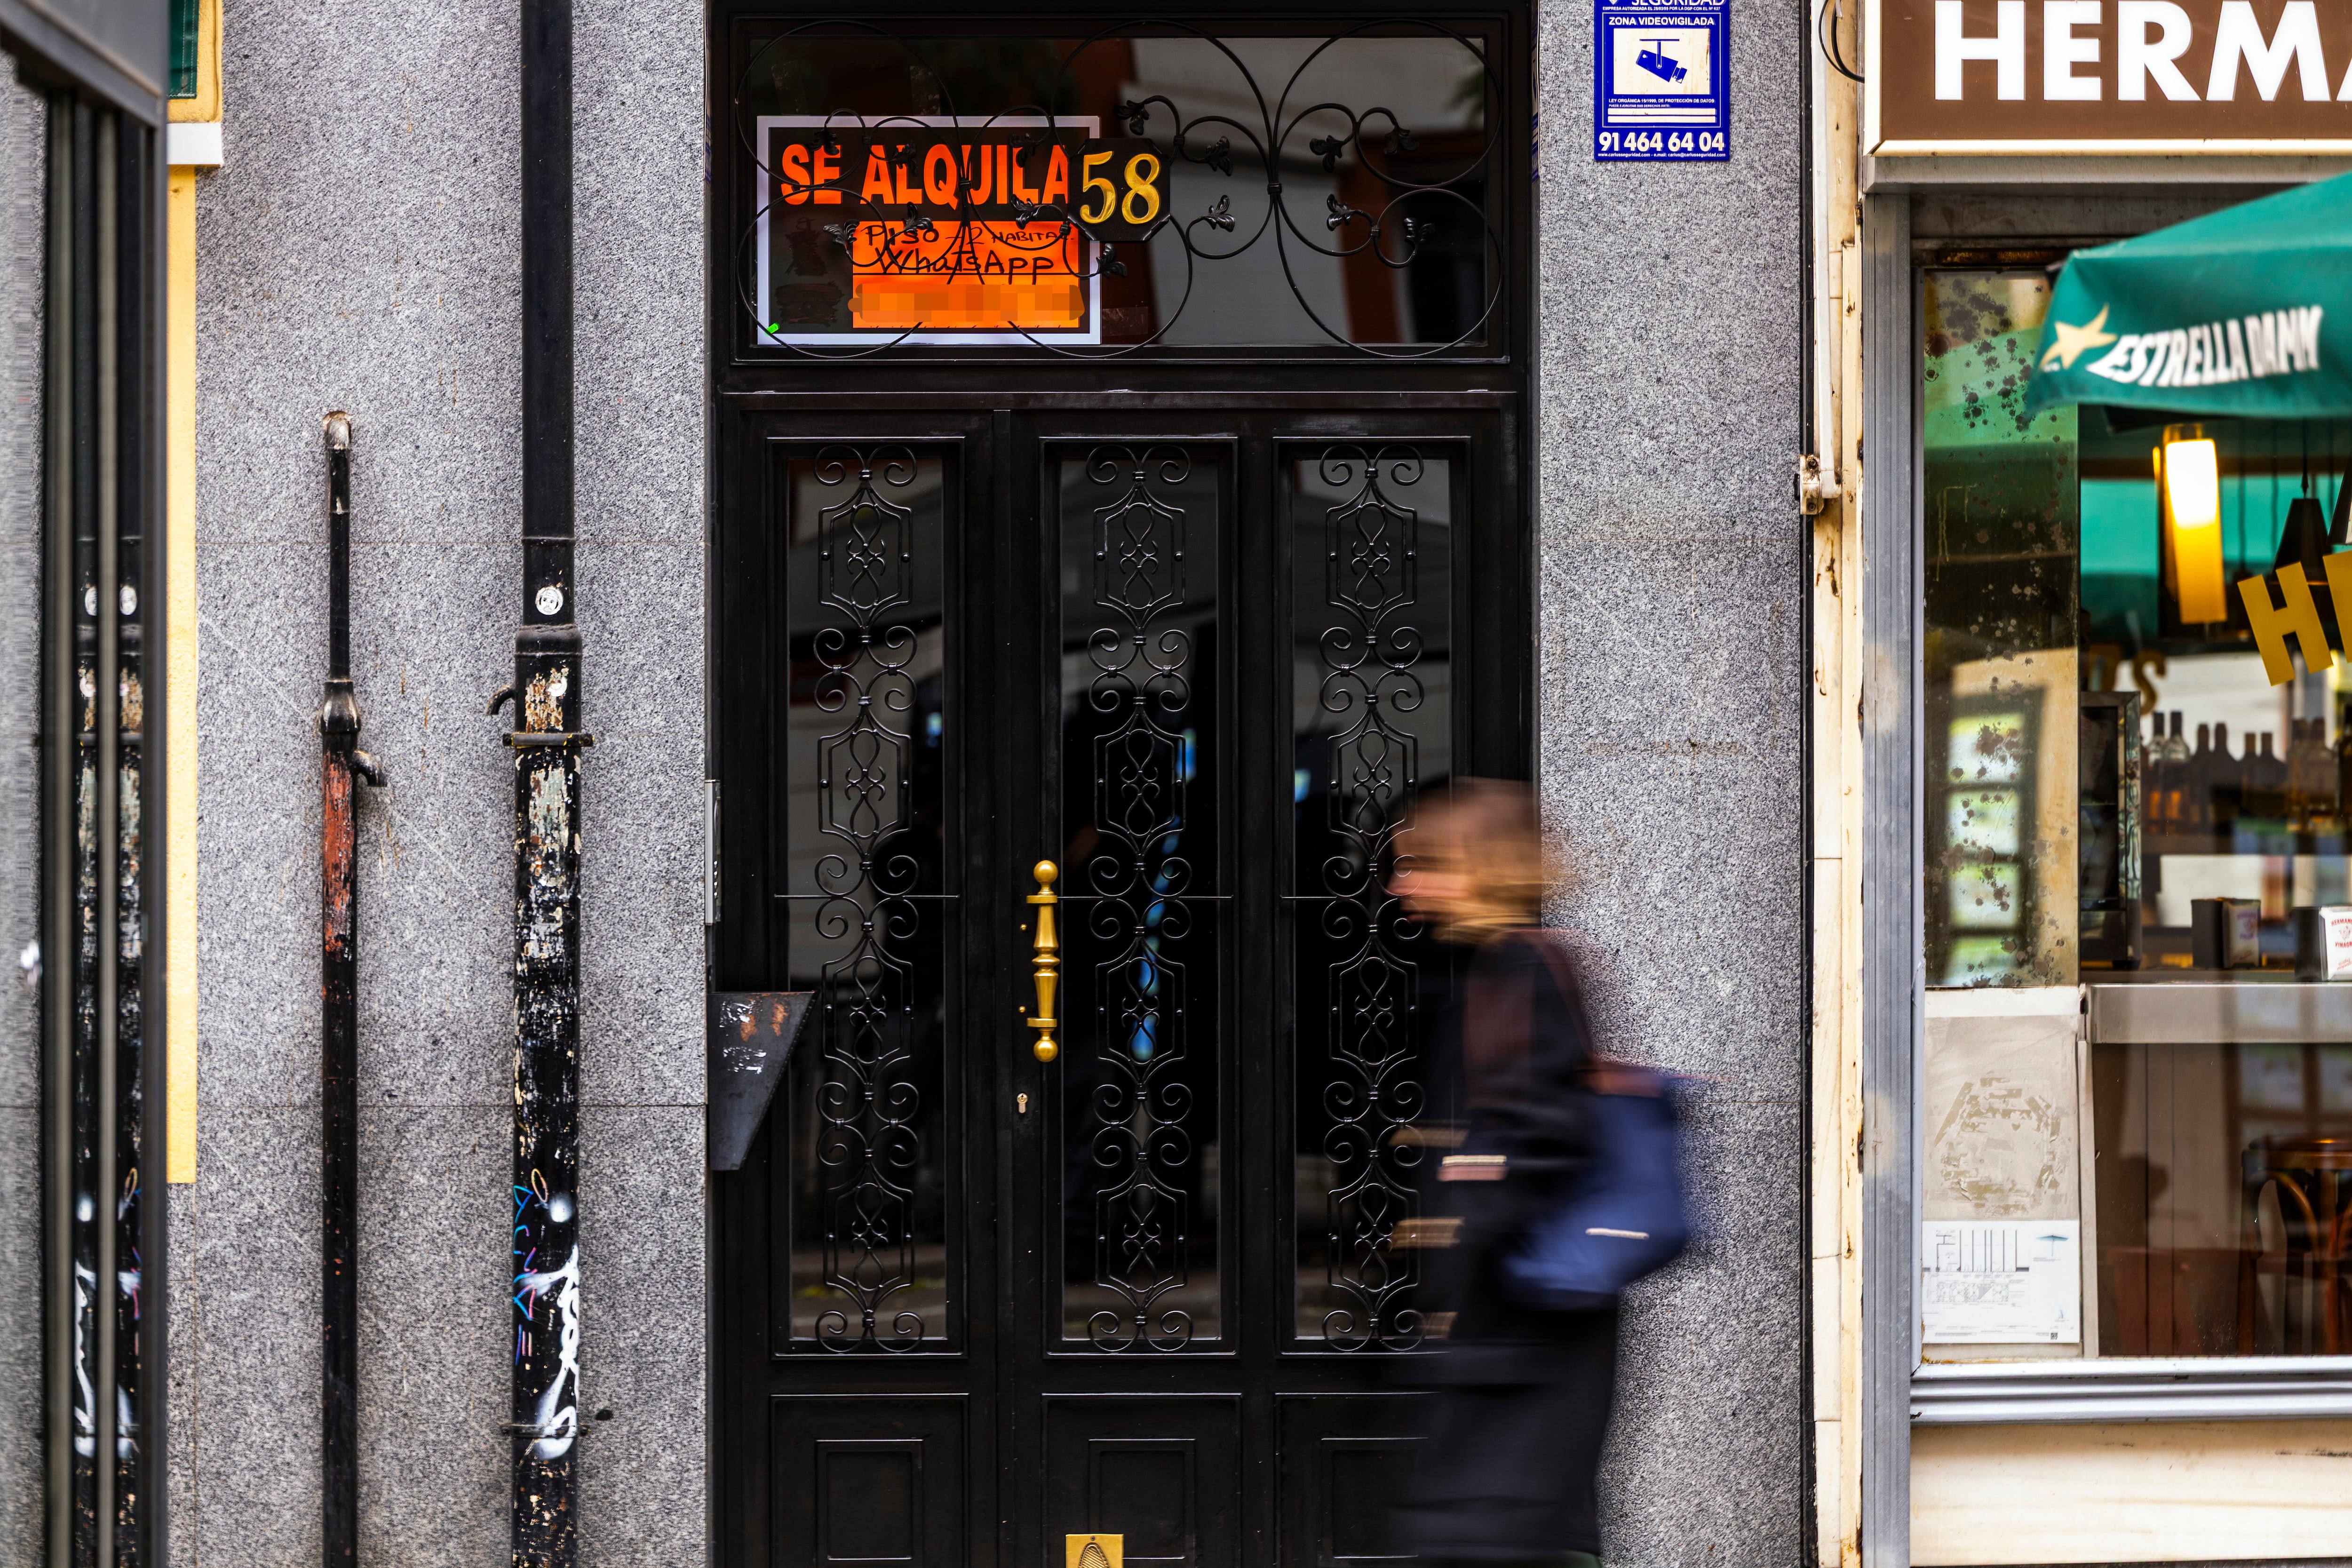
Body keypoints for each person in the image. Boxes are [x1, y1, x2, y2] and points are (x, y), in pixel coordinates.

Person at [1388, 779, 1614, 1568]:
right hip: (1502, 1328)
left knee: (1505, 1538)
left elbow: (1543, 1137)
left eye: (1420, 864)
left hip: (1525, 1331)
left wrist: (1463, 1224)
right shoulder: (1483, 967)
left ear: (1475, 865)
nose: (1401, 884)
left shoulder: (1524, 968)